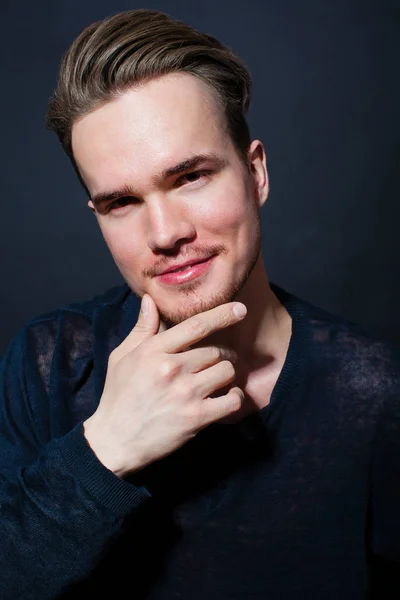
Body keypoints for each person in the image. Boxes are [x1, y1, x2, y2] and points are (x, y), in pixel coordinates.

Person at [1, 8, 399, 599]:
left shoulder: (376, 395)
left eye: (189, 177)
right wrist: (104, 449)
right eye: (121, 203)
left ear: (255, 172)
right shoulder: (48, 363)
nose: (164, 233)